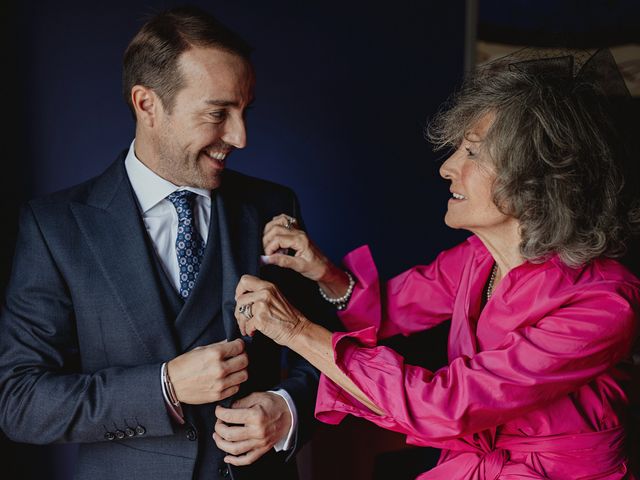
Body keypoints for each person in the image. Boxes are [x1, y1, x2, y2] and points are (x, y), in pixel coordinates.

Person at [232, 49, 640, 479]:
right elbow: (388, 308)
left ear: (537, 175)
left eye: (473, 154)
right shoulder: (476, 258)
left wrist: (294, 330)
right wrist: (323, 272)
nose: (447, 168)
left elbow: (445, 405)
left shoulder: (606, 303)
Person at [0, 6, 331, 480]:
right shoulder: (54, 229)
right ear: (147, 104)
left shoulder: (272, 205)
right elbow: (21, 402)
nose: (240, 136)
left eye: (244, 112)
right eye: (219, 112)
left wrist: (287, 408)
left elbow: (329, 351)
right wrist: (164, 386)